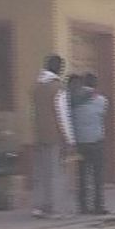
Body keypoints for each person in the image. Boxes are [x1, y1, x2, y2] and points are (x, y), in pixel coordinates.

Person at [32, 55, 76, 219]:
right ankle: (57, 209)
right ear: (59, 68)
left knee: (41, 173)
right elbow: (63, 115)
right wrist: (70, 140)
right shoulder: (58, 89)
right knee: (56, 173)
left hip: (39, 135)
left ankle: (39, 207)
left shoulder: (37, 87)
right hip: (55, 136)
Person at [71, 73, 109, 215]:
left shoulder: (74, 101)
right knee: (97, 176)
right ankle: (98, 205)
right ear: (96, 84)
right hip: (96, 142)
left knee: (82, 175)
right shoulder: (102, 100)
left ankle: (83, 206)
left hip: (80, 143)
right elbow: (101, 115)